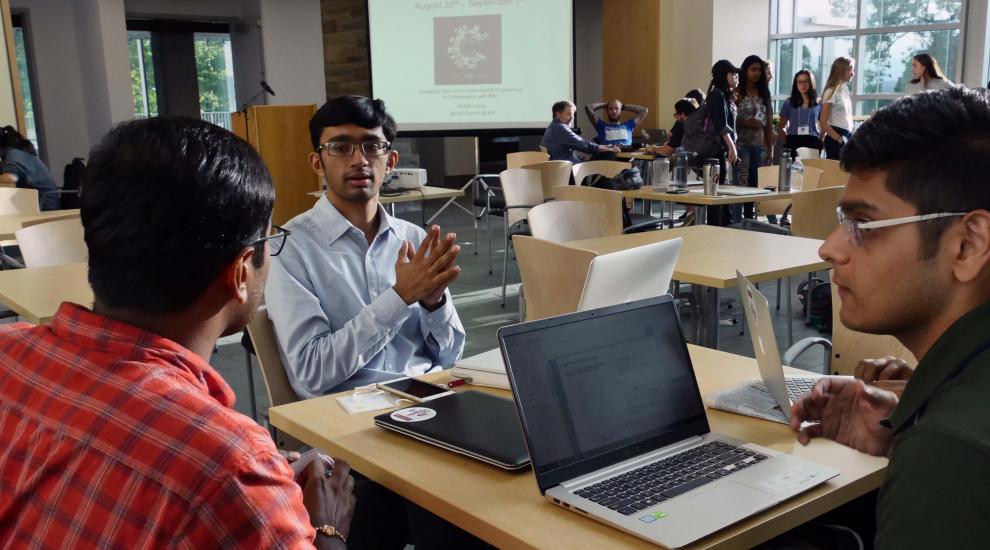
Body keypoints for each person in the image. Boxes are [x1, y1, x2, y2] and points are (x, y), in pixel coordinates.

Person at [0, 116, 355, 548]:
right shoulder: (232, 466)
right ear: (242, 271)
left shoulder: (8, 349)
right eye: (269, 240)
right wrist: (326, 527)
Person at [790, 86, 990, 547]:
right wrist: (909, 425)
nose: (830, 247)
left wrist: (934, 450)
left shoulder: (952, 456)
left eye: (862, 224)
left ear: (968, 244)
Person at [266, 96, 466, 398]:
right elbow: (312, 373)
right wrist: (400, 297)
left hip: (427, 394)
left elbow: (450, 357)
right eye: (340, 147)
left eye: (372, 147)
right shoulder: (290, 249)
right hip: (348, 410)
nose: (359, 160)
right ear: (317, 163)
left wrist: (434, 304)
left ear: (391, 162)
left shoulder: (412, 238)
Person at [734, 55, 774, 220]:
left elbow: (769, 122)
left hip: (759, 144)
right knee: (741, 182)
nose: (756, 73)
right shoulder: (738, 92)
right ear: (745, 70)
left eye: (759, 70)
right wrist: (747, 122)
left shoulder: (764, 93)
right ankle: (737, 219)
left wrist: (770, 148)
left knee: (755, 182)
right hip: (741, 144)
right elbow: (731, 118)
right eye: (753, 69)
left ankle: (750, 216)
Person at [0, 126, 60, 210]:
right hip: (44, 201)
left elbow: (11, 178)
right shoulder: (21, 154)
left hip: (44, 204)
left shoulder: (13, 154)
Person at [542, 100, 619, 163]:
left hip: (564, 168)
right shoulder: (560, 128)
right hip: (568, 172)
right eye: (569, 114)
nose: (572, 118)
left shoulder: (552, 127)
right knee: (608, 154)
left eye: (573, 115)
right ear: (558, 115)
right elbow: (585, 146)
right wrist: (609, 147)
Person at [778, 69, 822, 158]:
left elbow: (823, 124)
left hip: (812, 141)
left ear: (811, 83)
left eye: (806, 81)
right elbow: (781, 127)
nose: (803, 85)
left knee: (811, 171)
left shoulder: (818, 103)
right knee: (793, 171)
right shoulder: (789, 102)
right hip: (793, 140)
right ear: (796, 84)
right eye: (800, 82)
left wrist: (820, 141)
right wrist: (786, 143)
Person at [819, 56, 855, 160]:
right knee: (836, 174)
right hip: (836, 138)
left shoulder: (845, 89)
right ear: (841, 71)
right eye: (850, 70)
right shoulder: (830, 91)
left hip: (847, 136)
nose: (853, 73)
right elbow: (823, 122)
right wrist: (839, 139)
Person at [584, 98, 648, 147]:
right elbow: (588, 107)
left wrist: (623, 106)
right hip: (608, 160)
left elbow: (644, 110)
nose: (614, 111)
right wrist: (605, 105)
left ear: (620, 111)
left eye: (616, 108)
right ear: (607, 111)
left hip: (626, 161)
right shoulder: (601, 126)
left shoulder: (628, 126)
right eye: (611, 109)